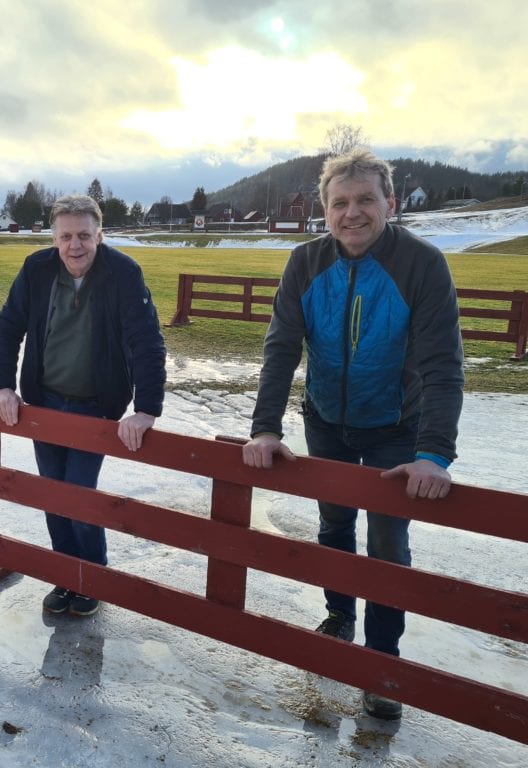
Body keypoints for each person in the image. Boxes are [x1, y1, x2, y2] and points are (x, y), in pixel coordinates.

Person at [242, 149, 464, 721]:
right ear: (325, 209)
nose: (353, 213)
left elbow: (443, 365)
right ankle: (339, 611)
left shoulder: (422, 265)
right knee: (335, 522)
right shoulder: (305, 262)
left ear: (389, 203)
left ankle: (382, 661)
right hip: (326, 422)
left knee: (389, 544)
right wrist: (265, 427)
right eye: (340, 202)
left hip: (396, 427)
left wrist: (434, 454)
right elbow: (281, 348)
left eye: (366, 199)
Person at [0, 194, 167, 617]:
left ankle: (92, 578)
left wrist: (146, 409)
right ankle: (65, 576)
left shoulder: (123, 273)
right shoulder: (36, 269)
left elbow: (146, 341)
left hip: (94, 406)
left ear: (99, 235)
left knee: (79, 496)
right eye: (66, 236)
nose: (75, 245)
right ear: (54, 238)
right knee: (54, 494)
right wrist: (3, 386)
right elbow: (9, 324)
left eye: (84, 235)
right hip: (44, 402)